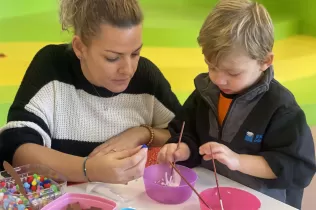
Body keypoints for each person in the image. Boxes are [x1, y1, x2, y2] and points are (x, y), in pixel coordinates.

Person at [0, 0, 181, 184]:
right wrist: (89, 169)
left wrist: (143, 133)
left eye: (135, 54)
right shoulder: (51, 68)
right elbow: (17, 151)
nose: (128, 69)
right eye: (112, 58)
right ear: (80, 47)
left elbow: (184, 135)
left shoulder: (146, 77)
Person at [158, 0, 316, 209]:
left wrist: (237, 161)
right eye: (211, 66)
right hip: (211, 196)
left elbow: (295, 167)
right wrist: (183, 149)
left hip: (263, 202)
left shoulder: (281, 108)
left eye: (233, 73)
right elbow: (187, 132)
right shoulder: (206, 92)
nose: (218, 80)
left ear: (265, 62)